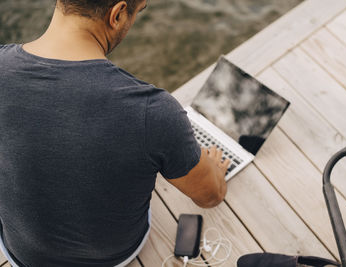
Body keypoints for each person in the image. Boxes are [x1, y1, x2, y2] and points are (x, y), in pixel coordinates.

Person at [0, 0, 230, 266]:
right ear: (118, 14)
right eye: (137, 11)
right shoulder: (152, 110)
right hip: (113, 257)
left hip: (22, 255)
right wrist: (213, 170)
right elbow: (210, 196)